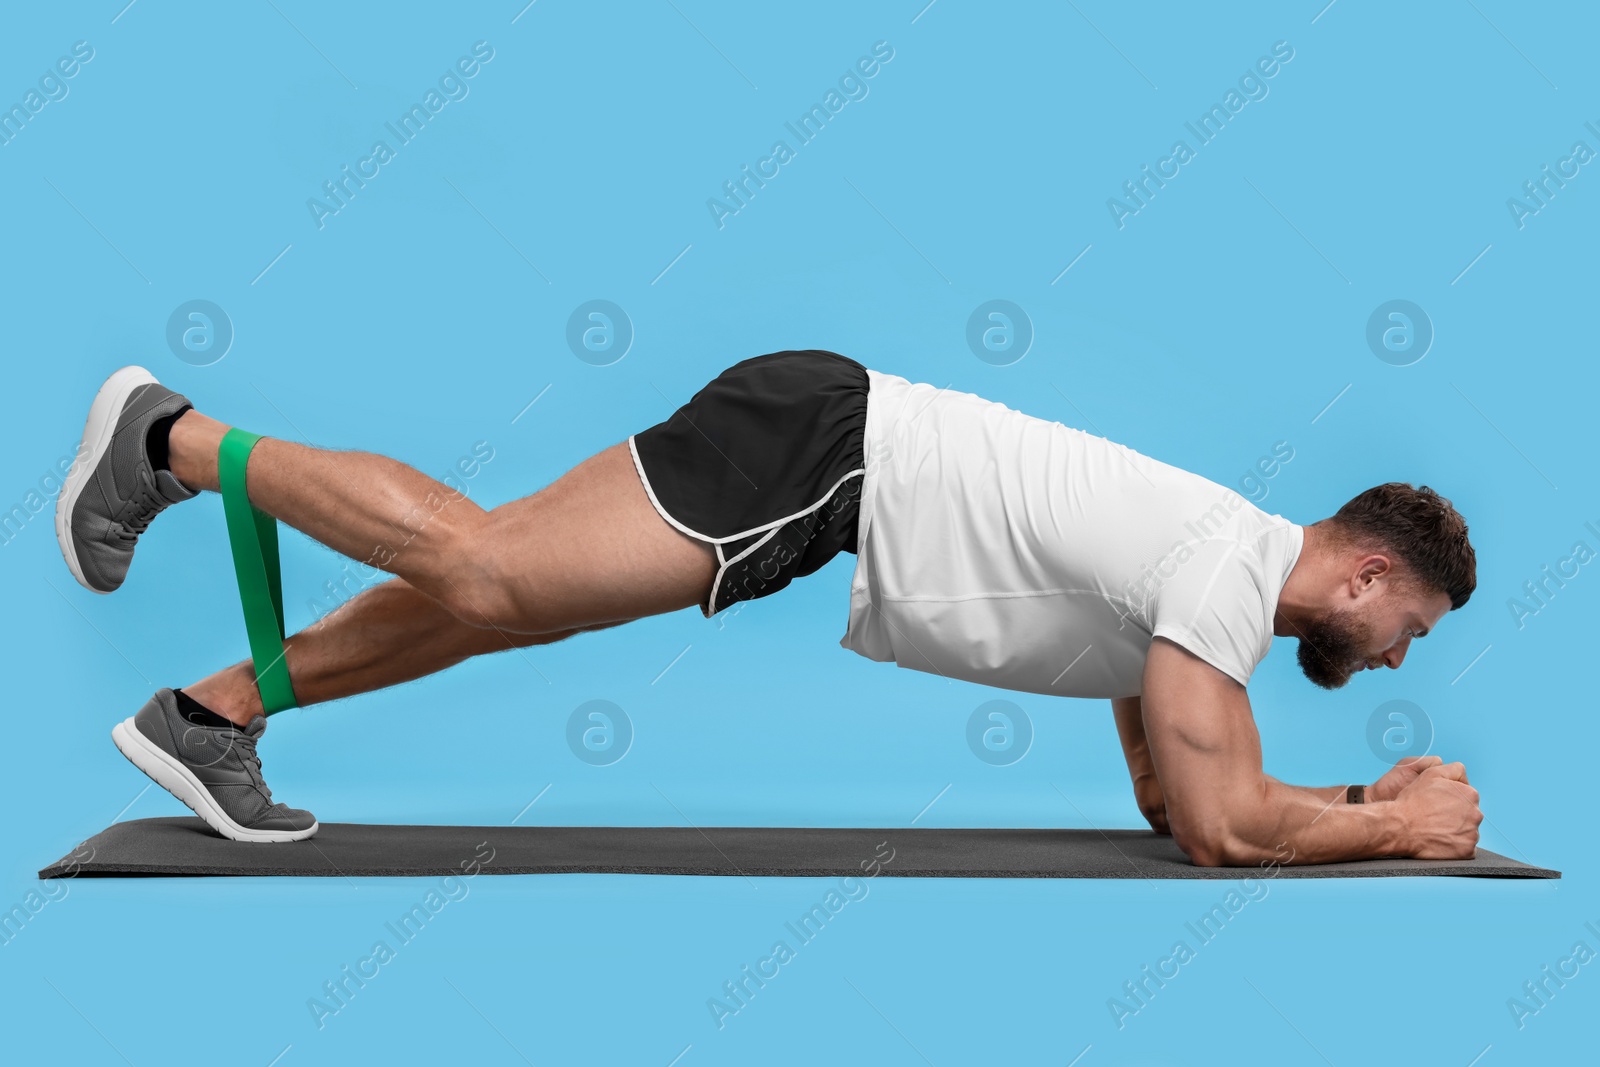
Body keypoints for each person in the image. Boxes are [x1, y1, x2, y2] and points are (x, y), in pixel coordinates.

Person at [57, 350, 1484, 863]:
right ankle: (170, 439)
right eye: (1404, 624)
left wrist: (1346, 805)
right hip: (830, 454)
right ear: (1361, 575)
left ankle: (210, 717)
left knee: (519, 609)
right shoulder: (1228, 571)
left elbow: (1183, 807)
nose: (1393, 650)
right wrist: (1388, 822)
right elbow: (1231, 827)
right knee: (493, 569)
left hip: (828, 467)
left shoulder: (1198, 594)